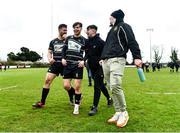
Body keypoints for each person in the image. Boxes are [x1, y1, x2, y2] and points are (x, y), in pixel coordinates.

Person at [101, 9, 142, 128]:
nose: (109, 19)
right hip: (106, 61)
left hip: (117, 59)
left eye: (111, 17)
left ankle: (124, 112)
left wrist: (137, 57)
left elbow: (132, 41)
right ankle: (118, 111)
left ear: (116, 17)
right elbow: (107, 46)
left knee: (115, 85)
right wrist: (102, 57)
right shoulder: (110, 31)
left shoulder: (124, 26)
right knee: (110, 87)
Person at [32, 24, 75, 108]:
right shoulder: (53, 41)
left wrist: (68, 39)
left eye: (66, 30)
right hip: (55, 64)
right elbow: (49, 52)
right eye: (64, 30)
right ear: (59, 30)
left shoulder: (69, 41)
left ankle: (73, 97)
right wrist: (49, 58)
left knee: (67, 86)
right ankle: (42, 102)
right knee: (47, 80)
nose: (65, 32)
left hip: (65, 65)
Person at [85, 25, 113, 116]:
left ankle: (95, 107)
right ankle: (109, 98)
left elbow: (107, 52)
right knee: (100, 85)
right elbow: (87, 53)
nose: (86, 32)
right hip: (91, 67)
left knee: (96, 86)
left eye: (88, 30)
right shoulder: (88, 41)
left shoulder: (100, 42)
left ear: (93, 31)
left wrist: (103, 59)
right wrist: (84, 59)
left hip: (100, 67)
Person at [62, 22, 86, 115]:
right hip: (67, 65)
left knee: (77, 86)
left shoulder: (84, 40)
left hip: (77, 65)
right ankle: (79, 96)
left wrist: (84, 60)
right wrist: (63, 58)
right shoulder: (68, 38)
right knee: (66, 86)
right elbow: (64, 49)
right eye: (75, 27)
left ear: (81, 28)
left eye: (78, 27)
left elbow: (88, 53)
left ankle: (76, 108)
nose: (76, 29)